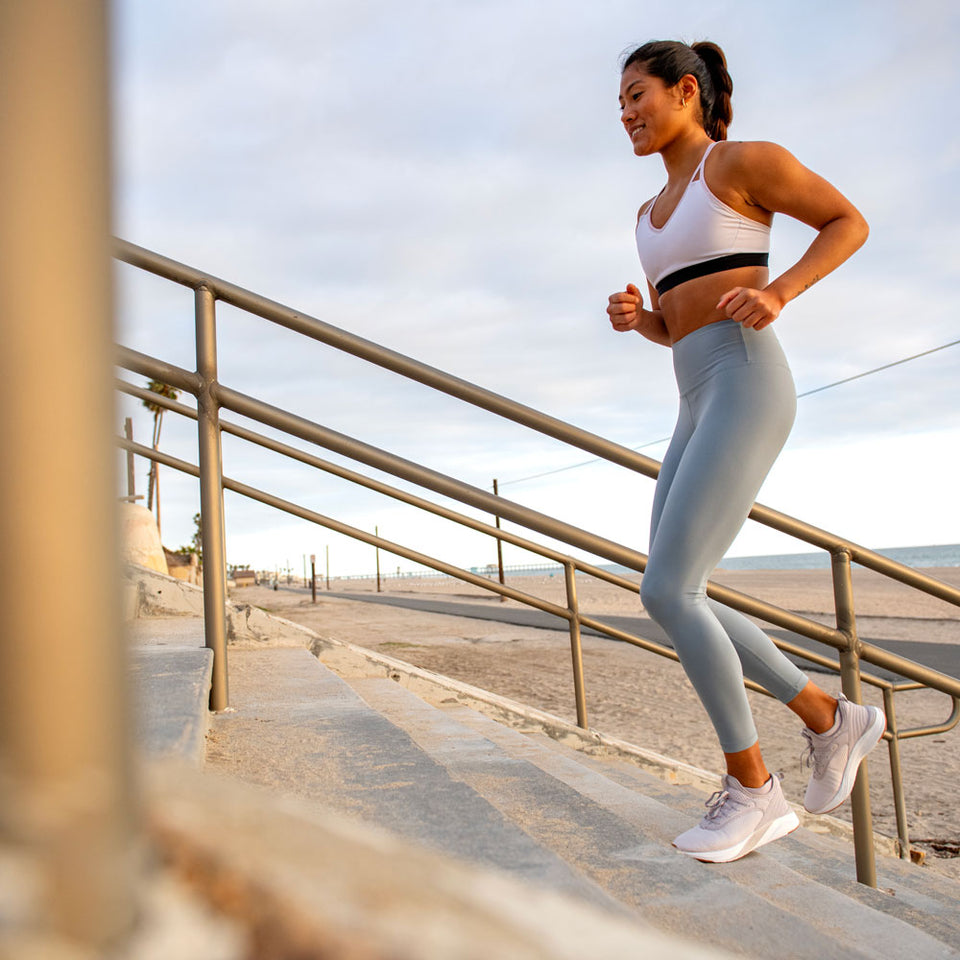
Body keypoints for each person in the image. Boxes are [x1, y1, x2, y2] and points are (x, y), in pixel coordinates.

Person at [606, 39, 885, 863]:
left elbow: (849, 221)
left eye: (636, 95)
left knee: (671, 586)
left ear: (685, 91)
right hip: (694, 395)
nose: (625, 113)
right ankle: (832, 720)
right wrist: (640, 320)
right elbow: (675, 325)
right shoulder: (647, 217)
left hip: (749, 379)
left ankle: (754, 789)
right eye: (618, 103)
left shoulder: (739, 164)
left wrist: (778, 291)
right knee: (670, 592)